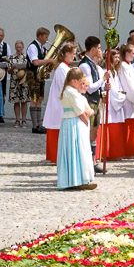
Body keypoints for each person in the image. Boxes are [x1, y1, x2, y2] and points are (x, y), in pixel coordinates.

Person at [57, 68, 96, 191]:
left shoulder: (69, 90)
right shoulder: (71, 92)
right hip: (73, 123)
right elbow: (79, 111)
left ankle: (77, 178)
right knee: (77, 151)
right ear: (74, 81)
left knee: (75, 152)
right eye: (79, 82)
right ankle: (78, 179)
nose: (81, 85)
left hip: (70, 122)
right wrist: (86, 123)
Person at [41, 42, 77, 163]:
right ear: (67, 53)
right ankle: (57, 156)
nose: (74, 57)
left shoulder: (65, 67)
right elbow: (64, 86)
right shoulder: (62, 68)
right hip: (60, 104)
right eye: (73, 54)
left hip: (62, 102)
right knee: (58, 128)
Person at [78, 38, 107, 168]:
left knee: (94, 131)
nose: (100, 51)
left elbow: (97, 85)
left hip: (96, 99)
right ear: (93, 49)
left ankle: (93, 161)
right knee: (88, 131)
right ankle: (86, 162)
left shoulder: (93, 64)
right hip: (89, 101)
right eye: (99, 48)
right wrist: (103, 79)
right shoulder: (85, 65)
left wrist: (104, 88)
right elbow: (90, 87)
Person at [26, 27, 52, 134]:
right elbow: (35, 62)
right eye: (46, 37)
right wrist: (48, 60)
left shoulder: (42, 48)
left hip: (39, 75)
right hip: (33, 75)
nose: (46, 39)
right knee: (34, 99)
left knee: (40, 99)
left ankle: (39, 124)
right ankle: (35, 125)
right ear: (40, 36)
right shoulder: (33, 46)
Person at [7, 40, 31, 128]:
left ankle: (24, 120)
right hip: (15, 81)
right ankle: (17, 120)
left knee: (24, 101)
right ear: (15, 48)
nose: (18, 49)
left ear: (22, 48)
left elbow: (30, 68)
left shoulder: (26, 57)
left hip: (24, 81)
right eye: (17, 47)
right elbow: (8, 71)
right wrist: (12, 67)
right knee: (16, 101)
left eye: (20, 47)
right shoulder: (12, 58)